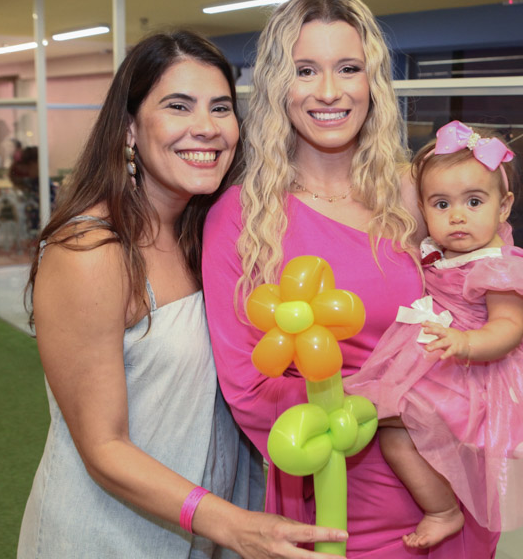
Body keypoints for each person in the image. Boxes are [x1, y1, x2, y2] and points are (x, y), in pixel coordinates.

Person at [18, 30, 346, 559]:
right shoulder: (91, 251)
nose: (207, 128)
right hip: (111, 536)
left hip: (211, 530)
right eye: (178, 106)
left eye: (220, 108)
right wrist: (232, 524)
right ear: (129, 128)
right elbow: (103, 447)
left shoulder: (212, 237)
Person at [202, 0, 499, 556]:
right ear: (276, 87)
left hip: (456, 485)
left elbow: (484, 300)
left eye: (348, 69)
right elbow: (247, 389)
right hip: (339, 497)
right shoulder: (241, 219)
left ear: (373, 83)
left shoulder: (414, 196)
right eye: (306, 70)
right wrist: (383, 406)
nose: (330, 91)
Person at [345, 121, 523, 548]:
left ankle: (446, 511)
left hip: (485, 368)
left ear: (504, 207)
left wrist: (465, 344)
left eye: (474, 201)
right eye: (441, 204)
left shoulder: (499, 267)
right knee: (393, 431)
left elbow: (508, 330)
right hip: (443, 357)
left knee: (399, 414)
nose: (457, 216)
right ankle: (444, 509)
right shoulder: (438, 252)